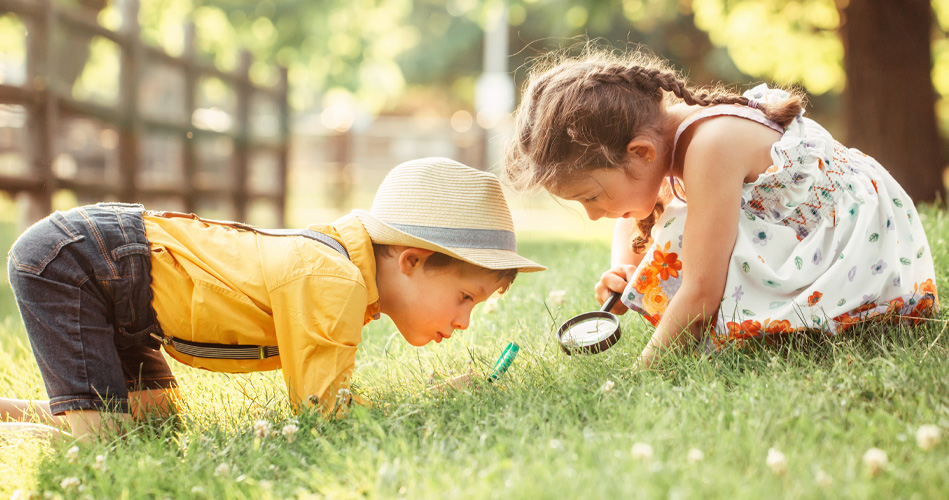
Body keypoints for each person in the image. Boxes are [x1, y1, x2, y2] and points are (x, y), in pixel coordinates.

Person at [1, 157, 545, 439]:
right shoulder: (334, 281)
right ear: (412, 261)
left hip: (121, 274)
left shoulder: (345, 276)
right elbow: (321, 413)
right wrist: (434, 399)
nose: (466, 320)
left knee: (153, 422)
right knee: (105, 445)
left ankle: (15, 415)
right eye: (466, 297)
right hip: (84, 260)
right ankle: (44, 433)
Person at [502, 49, 938, 367]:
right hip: (829, 232)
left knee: (682, 240)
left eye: (590, 197)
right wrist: (624, 266)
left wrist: (644, 371)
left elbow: (701, 289)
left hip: (863, 252)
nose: (594, 215)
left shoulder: (710, 147)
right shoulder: (669, 136)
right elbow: (641, 213)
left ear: (641, 153)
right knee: (675, 230)